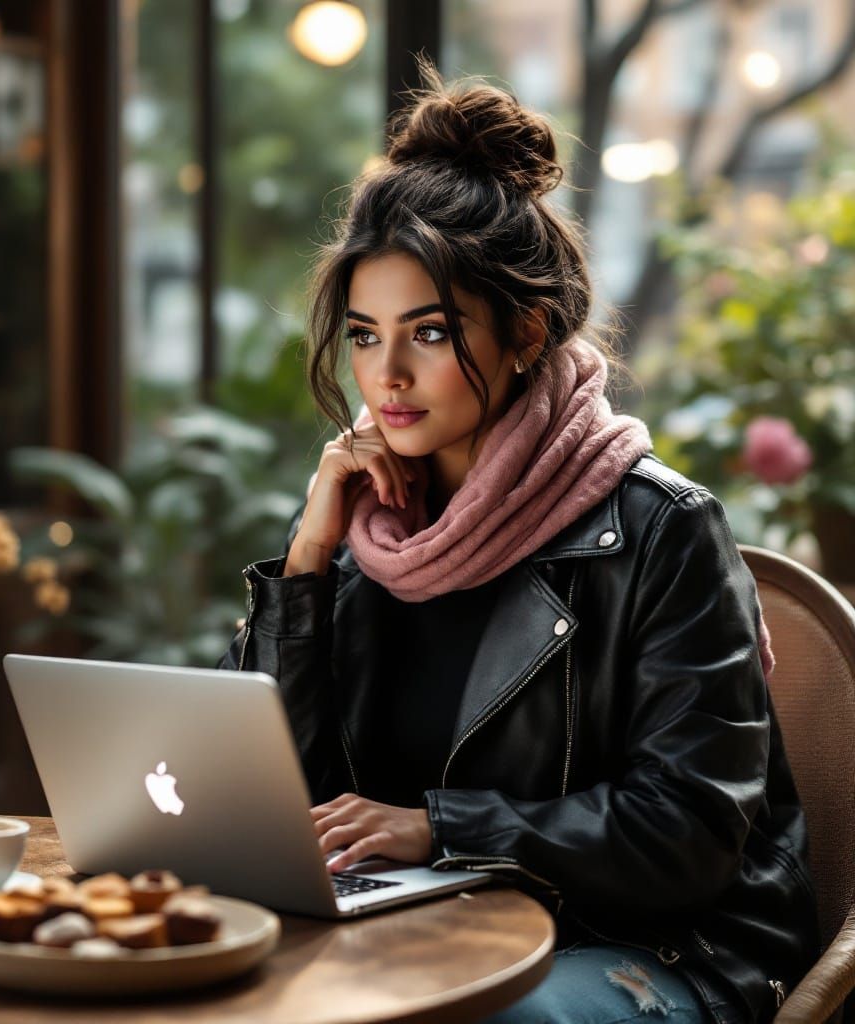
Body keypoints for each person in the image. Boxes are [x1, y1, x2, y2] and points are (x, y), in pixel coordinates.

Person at [219, 65, 818, 1023]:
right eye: (366, 337)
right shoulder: (362, 526)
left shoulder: (663, 530)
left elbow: (689, 834)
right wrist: (304, 571)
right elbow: (286, 799)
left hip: (652, 949)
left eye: (431, 331)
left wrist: (440, 831)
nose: (390, 376)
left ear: (527, 332)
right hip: (425, 931)